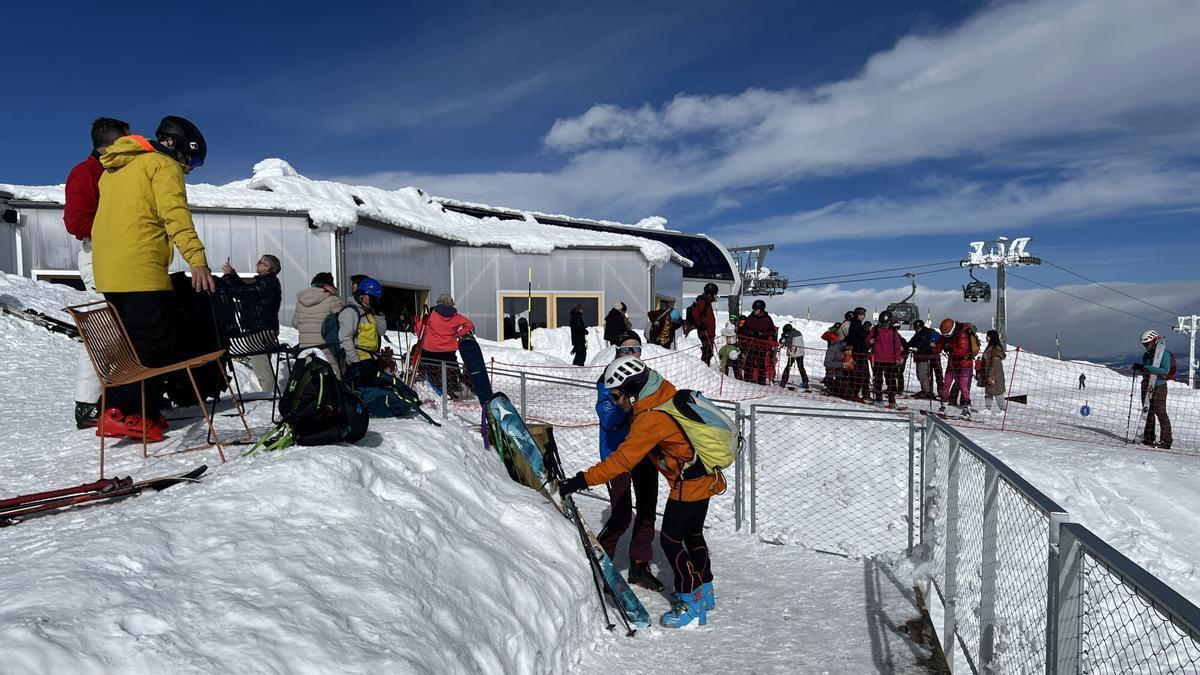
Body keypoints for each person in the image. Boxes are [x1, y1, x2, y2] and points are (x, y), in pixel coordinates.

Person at [559, 357, 725, 628]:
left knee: (671, 541)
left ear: (632, 390)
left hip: (689, 483)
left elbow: (622, 461)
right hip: (704, 475)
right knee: (692, 533)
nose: (615, 402)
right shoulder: (662, 393)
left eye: (616, 395)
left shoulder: (650, 418)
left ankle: (691, 604)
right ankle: (705, 591)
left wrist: (580, 480)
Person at [91, 115, 215, 442]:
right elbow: (174, 214)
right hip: (141, 268)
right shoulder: (162, 165)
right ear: (176, 147)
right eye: (190, 160)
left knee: (130, 346)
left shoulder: (114, 170)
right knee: (155, 346)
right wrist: (197, 260)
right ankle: (121, 414)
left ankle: (133, 412)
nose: (188, 168)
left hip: (108, 270)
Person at [65, 116, 130, 429]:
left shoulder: (115, 172)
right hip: (99, 256)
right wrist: (118, 226)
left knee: (124, 330)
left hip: (122, 256)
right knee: (104, 330)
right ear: (113, 143)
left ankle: (112, 398)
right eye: (127, 140)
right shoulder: (86, 172)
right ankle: (87, 405)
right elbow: (76, 224)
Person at [590, 332, 663, 592]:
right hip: (616, 455)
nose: (632, 354)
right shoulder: (609, 380)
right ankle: (600, 562)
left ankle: (639, 566)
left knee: (647, 510)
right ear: (617, 351)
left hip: (644, 452)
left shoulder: (646, 377)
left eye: (637, 349)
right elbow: (608, 419)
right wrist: (626, 405)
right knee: (621, 515)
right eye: (626, 349)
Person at [220, 253, 282, 391]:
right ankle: (270, 394)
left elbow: (241, 293)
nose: (256, 264)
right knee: (263, 365)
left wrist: (228, 277)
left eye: (260, 262)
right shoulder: (267, 283)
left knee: (262, 368)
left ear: (268, 268)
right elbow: (245, 290)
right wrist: (233, 275)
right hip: (264, 328)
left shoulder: (267, 283)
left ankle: (270, 396)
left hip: (258, 330)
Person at [420, 293, 475, 397]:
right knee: (451, 367)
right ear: (451, 304)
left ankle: (433, 385)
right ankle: (453, 386)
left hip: (430, 348)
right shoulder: (456, 316)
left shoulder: (432, 314)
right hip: (448, 349)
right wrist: (459, 333)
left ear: (439, 302)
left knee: (430, 366)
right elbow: (469, 325)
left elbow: (421, 327)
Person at [338, 277, 388, 388]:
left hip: (372, 360)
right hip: (359, 361)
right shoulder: (350, 312)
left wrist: (378, 313)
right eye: (371, 298)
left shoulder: (370, 312)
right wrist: (355, 362)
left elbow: (381, 331)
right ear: (362, 295)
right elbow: (345, 339)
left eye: (376, 299)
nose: (373, 301)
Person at [1133, 330, 1174, 449]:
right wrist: (1140, 368)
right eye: (1144, 345)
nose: (1146, 347)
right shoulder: (1147, 355)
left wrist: (1145, 367)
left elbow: (1164, 371)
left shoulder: (1164, 354)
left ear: (1155, 341)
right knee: (1148, 411)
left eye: (1148, 344)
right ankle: (1149, 438)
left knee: (1160, 412)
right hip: (1146, 384)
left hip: (1159, 385)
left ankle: (1166, 441)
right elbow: (1148, 369)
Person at [292, 272, 343, 363]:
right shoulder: (333, 299)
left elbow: (295, 324)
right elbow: (343, 323)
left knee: (309, 374)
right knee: (330, 375)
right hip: (326, 350)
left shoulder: (301, 301)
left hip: (305, 350)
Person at [936, 318, 978, 418]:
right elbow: (939, 345)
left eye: (947, 335)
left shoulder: (963, 334)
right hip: (953, 362)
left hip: (965, 363)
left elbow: (964, 350)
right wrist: (935, 348)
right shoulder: (946, 335)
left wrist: (951, 348)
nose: (946, 337)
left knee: (963, 386)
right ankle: (943, 406)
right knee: (946, 383)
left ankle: (966, 408)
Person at [868, 311, 906, 408]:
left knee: (890, 380)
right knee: (879, 379)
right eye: (882, 324)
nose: (883, 326)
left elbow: (897, 345)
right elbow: (867, 341)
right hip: (878, 358)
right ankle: (879, 398)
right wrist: (870, 341)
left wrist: (898, 357)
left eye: (885, 324)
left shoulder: (893, 331)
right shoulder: (876, 329)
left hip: (890, 359)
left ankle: (891, 400)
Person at [737, 299, 776, 385]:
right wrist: (749, 332)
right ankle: (747, 379)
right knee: (749, 362)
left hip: (762, 345)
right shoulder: (750, 318)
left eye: (756, 309)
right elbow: (743, 329)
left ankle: (761, 382)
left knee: (761, 363)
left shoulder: (767, 319)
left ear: (761, 309)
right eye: (753, 309)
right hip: (751, 344)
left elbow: (772, 331)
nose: (754, 311)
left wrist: (762, 334)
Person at [843, 307, 870, 403]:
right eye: (862, 315)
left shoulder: (857, 324)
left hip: (861, 352)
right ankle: (855, 393)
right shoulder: (855, 325)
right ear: (858, 315)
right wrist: (869, 339)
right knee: (860, 374)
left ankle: (864, 394)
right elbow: (863, 337)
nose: (864, 317)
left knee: (863, 374)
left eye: (864, 315)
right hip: (858, 353)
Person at [689, 283, 718, 366]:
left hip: (709, 333)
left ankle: (705, 368)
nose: (715, 296)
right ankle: (704, 368)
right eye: (714, 294)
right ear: (711, 293)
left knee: (709, 353)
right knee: (707, 352)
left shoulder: (707, 302)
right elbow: (695, 313)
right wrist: (701, 324)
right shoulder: (703, 301)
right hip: (705, 332)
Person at [909, 319, 937, 399]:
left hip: (924, 357)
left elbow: (923, 344)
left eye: (918, 327)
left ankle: (927, 392)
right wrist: (906, 346)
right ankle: (924, 390)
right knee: (920, 374)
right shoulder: (918, 334)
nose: (917, 329)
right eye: (916, 327)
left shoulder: (925, 333)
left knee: (922, 375)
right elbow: (912, 342)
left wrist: (916, 348)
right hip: (919, 357)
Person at [980, 329, 1007, 412]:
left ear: (991, 337)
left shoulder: (995, 349)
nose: (986, 337)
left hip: (994, 375)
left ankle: (1003, 410)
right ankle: (988, 409)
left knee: (998, 393)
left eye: (987, 336)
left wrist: (990, 375)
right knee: (988, 392)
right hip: (989, 373)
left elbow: (995, 363)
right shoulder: (991, 347)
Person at [778, 324, 810, 390]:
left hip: (793, 353)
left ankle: (783, 382)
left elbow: (789, 343)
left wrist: (783, 340)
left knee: (788, 367)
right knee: (801, 367)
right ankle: (805, 382)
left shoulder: (791, 334)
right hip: (800, 353)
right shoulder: (798, 332)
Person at [821, 322, 844, 396]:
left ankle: (829, 385)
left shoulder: (833, 335)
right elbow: (824, 336)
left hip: (835, 352)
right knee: (830, 369)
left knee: (832, 369)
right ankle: (828, 385)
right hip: (833, 352)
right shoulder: (833, 335)